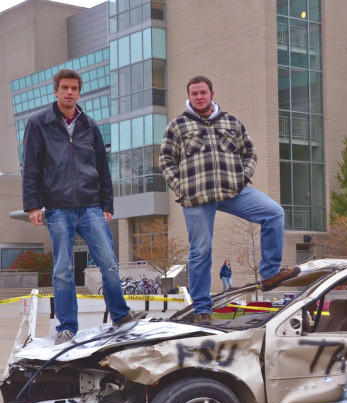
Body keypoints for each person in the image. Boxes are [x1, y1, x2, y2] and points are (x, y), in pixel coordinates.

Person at [159, 76, 299, 324]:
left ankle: (269, 274)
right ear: (189, 97)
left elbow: (250, 153)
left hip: (233, 191)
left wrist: (242, 177)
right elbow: (166, 161)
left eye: (203, 92)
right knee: (201, 251)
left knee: (274, 213)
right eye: (194, 94)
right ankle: (202, 308)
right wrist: (181, 188)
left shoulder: (232, 122)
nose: (199, 97)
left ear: (212, 93)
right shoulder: (177, 126)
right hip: (197, 197)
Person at [22, 69, 134, 345]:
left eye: (74, 88)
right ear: (56, 91)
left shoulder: (90, 126)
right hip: (58, 207)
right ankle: (67, 326)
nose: (69, 92)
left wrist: (106, 202)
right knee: (62, 269)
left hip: (91, 205)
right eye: (65, 88)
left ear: (79, 92)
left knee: (108, 262)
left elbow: (102, 168)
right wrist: (33, 205)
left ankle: (121, 315)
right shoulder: (39, 124)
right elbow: (31, 168)